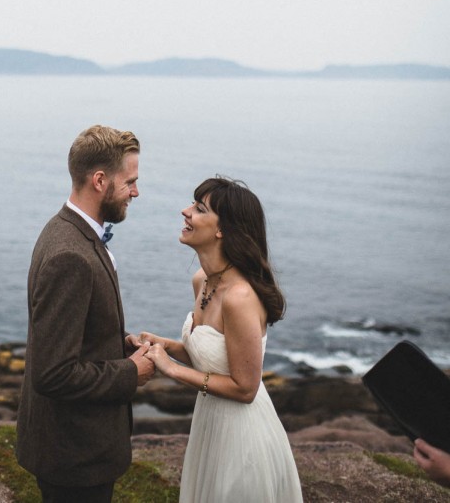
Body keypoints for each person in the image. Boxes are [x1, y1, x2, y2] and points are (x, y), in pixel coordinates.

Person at [134, 176, 303, 502]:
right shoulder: (202, 281)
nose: (185, 212)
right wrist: (162, 345)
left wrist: (170, 369)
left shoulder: (240, 297)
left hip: (243, 441)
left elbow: (245, 388)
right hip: (210, 429)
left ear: (223, 229)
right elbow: (210, 354)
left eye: (198, 209)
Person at [16, 124, 155, 503]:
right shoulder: (70, 256)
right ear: (99, 180)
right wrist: (131, 372)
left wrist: (117, 346)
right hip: (74, 456)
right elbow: (53, 373)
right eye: (130, 181)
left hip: (72, 450)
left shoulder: (66, 230)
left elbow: (71, 337)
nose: (136, 192)